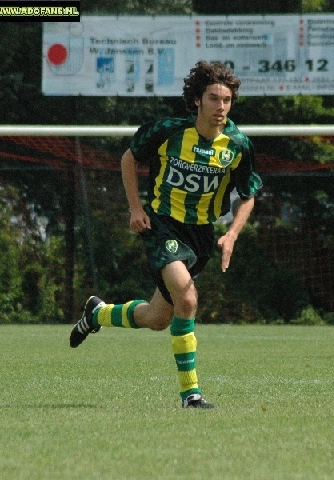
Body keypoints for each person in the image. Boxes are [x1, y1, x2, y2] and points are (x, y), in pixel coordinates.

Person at [69, 61, 263, 408]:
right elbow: (129, 158)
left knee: (158, 319)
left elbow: (248, 194)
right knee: (188, 300)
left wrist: (232, 233)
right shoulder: (168, 131)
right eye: (214, 99)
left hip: (201, 235)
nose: (221, 107)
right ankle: (191, 394)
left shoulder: (237, 144)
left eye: (227, 100)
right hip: (163, 225)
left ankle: (96, 314)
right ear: (197, 101)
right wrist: (135, 208)